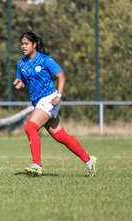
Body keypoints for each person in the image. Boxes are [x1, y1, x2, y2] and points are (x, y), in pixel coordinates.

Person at [13, 31, 97, 176]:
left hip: (50, 98)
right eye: (22, 44)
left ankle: (37, 164)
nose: (23, 46)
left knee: (30, 127)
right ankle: (89, 161)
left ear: (34, 45)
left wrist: (58, 95)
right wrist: (19, 84)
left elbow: (61, 76)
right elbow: (24, 83)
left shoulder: (45, 60)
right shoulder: (21, 64)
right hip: (38, 102)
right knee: (60, 136)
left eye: (26, 43)